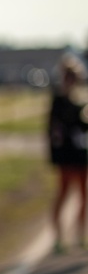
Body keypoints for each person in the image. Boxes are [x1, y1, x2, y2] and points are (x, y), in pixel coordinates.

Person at [47, 53, 88, 253]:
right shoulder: (59, 101)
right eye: (67, 77)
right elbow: (53, 132)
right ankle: (58, 236)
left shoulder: (82, 100)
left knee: (83, 194)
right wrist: (54, 156)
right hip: (66, 155)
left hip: (81, 154)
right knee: (63, 194)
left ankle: (81, 234)